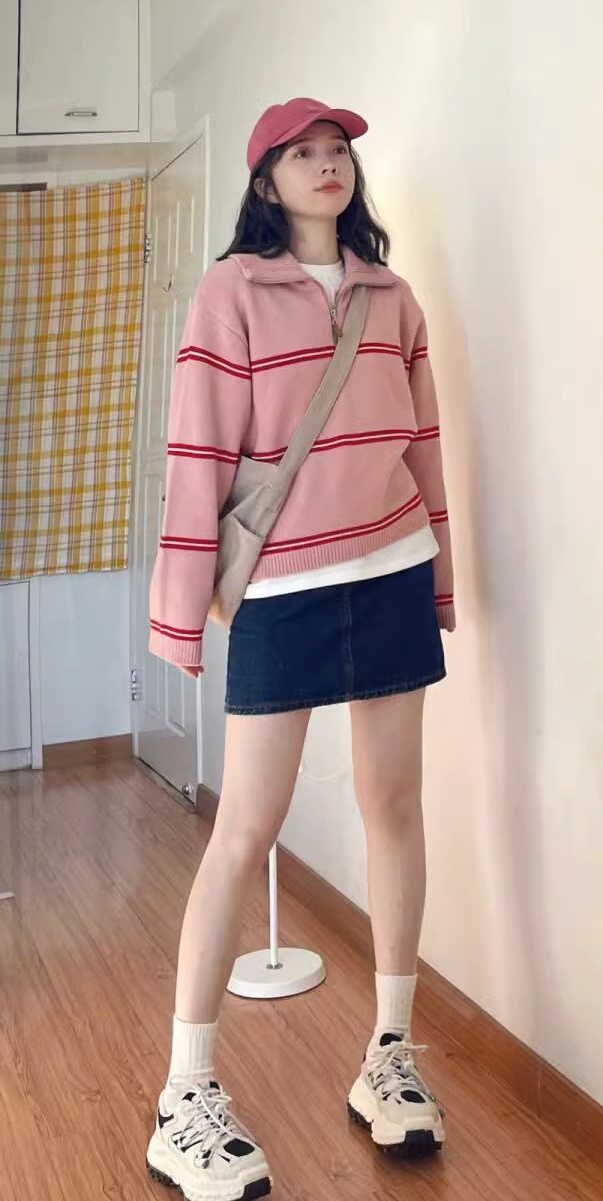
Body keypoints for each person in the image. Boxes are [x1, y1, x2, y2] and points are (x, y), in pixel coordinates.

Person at [145, 98, 455, 1199]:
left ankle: (391, 1054)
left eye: (339, 153)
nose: (328, 166)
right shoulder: (230, 291)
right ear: (266, 180)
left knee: (395, 806)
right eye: (303, 154)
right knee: (246, 828)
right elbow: (197, 452)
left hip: (392, 567)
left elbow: (423, 444)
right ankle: (185, 1093)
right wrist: (180, 612)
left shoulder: (392, 296)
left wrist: (441, 578)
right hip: (282, 587)